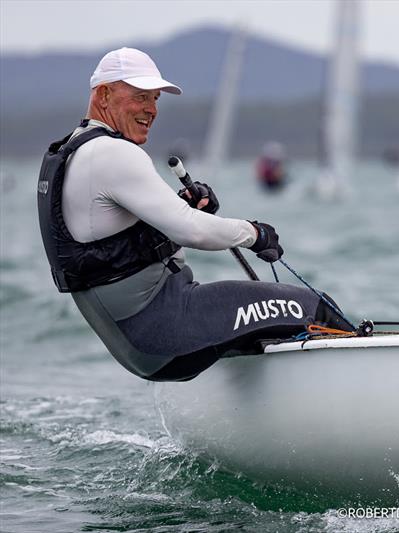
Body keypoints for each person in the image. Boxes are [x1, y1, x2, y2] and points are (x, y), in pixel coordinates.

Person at [37, 48, 352, 382]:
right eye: (141, 97)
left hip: (142, 345)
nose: (152, 110)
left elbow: (121, 237)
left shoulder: (73, 151)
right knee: (315, 307)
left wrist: (183, 205)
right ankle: (368, 383)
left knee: (266, 324)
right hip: (168, 329)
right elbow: (193, 232)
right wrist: (255, 233)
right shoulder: (112, 153)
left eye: (155, 99)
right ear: (103, 94)